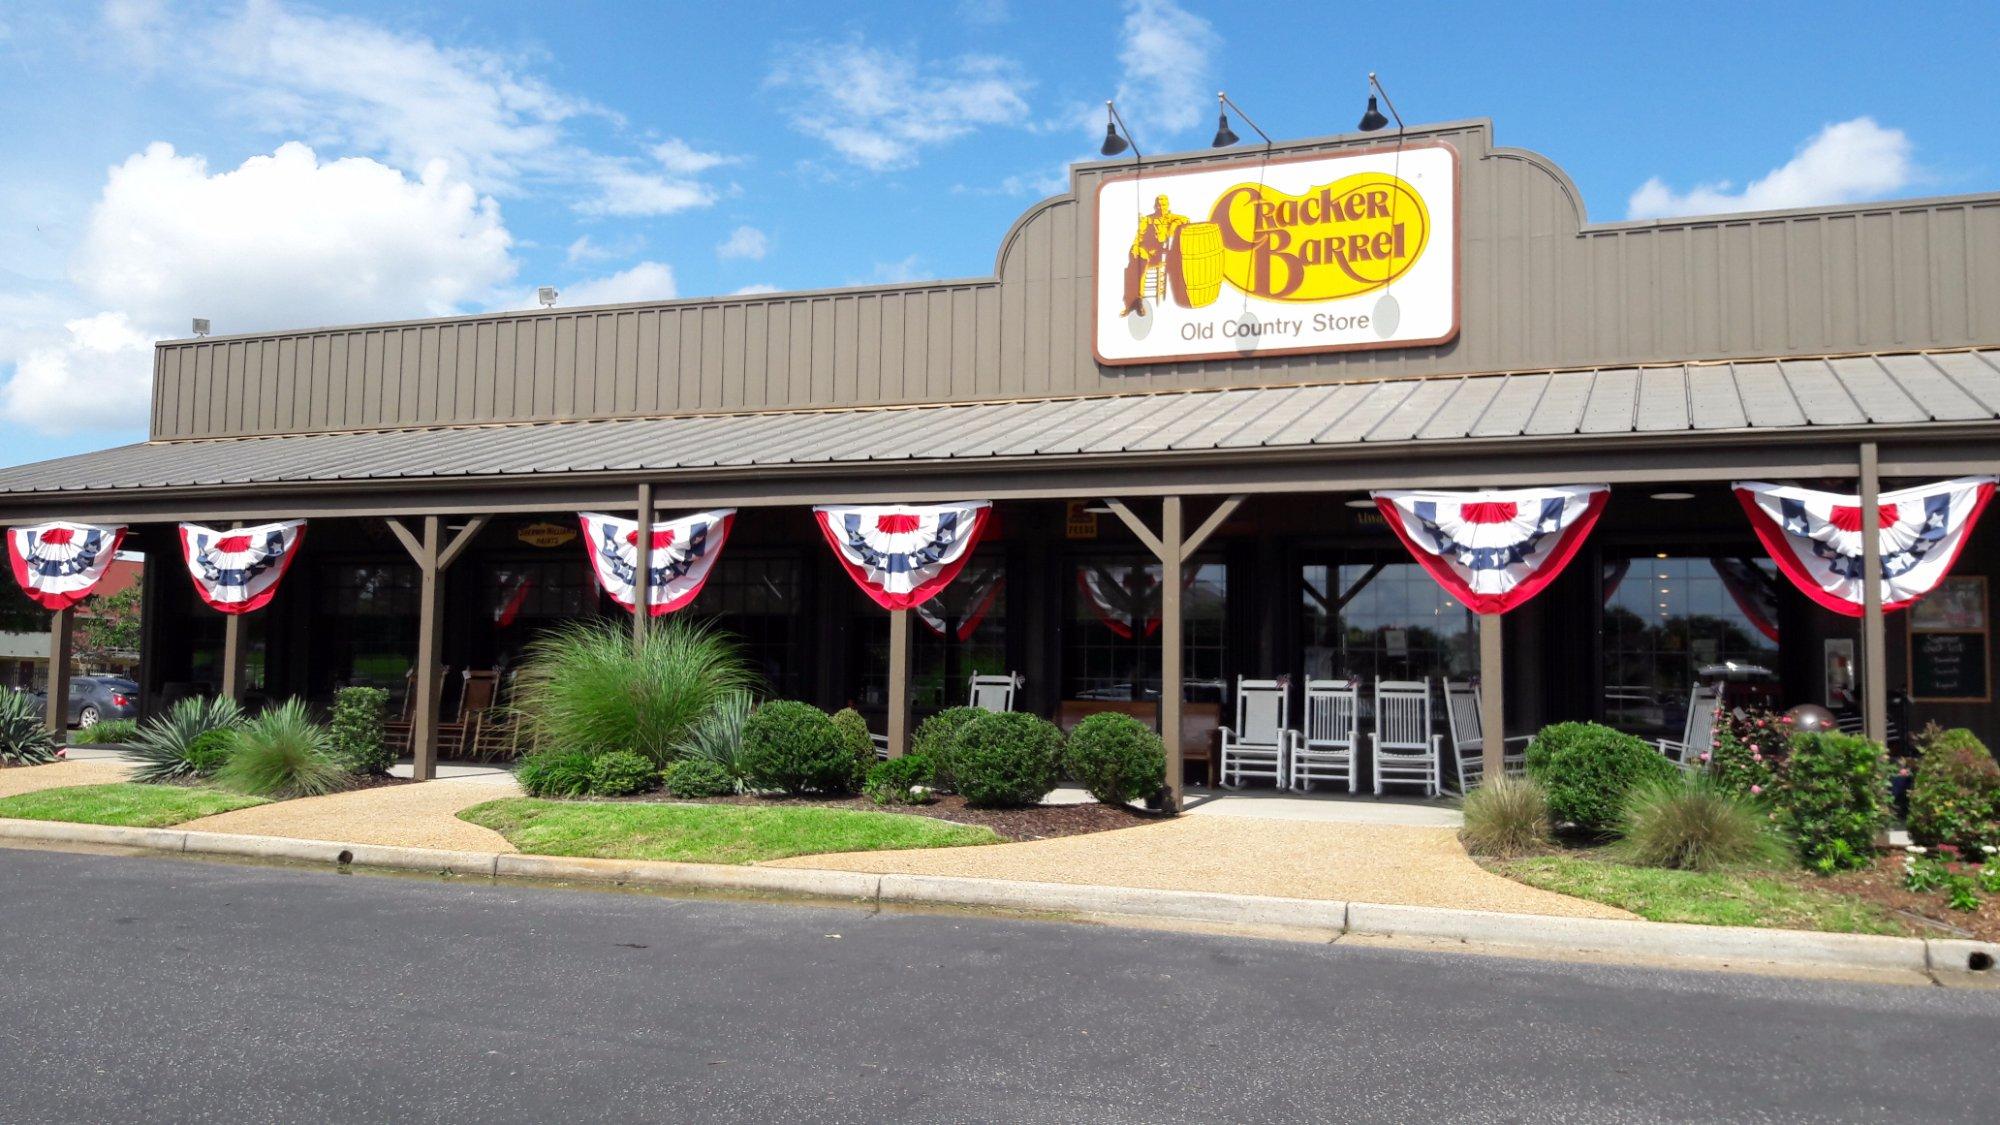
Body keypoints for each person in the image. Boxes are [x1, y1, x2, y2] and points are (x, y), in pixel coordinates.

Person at [1121, 194, 1188, 316]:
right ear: (1155, 206)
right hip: (1146, 252)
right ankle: (1137, 301)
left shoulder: (1171, 218)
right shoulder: (1148, 219)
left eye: (1163, 205)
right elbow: (1139, 236)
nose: (1161, 207)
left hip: (1161, 255)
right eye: (1159, 205)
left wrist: (1173, 226)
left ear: (1167, 206)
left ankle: (1136, 301)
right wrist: (1135, 247)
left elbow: (1185, 219)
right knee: (1135, 265)